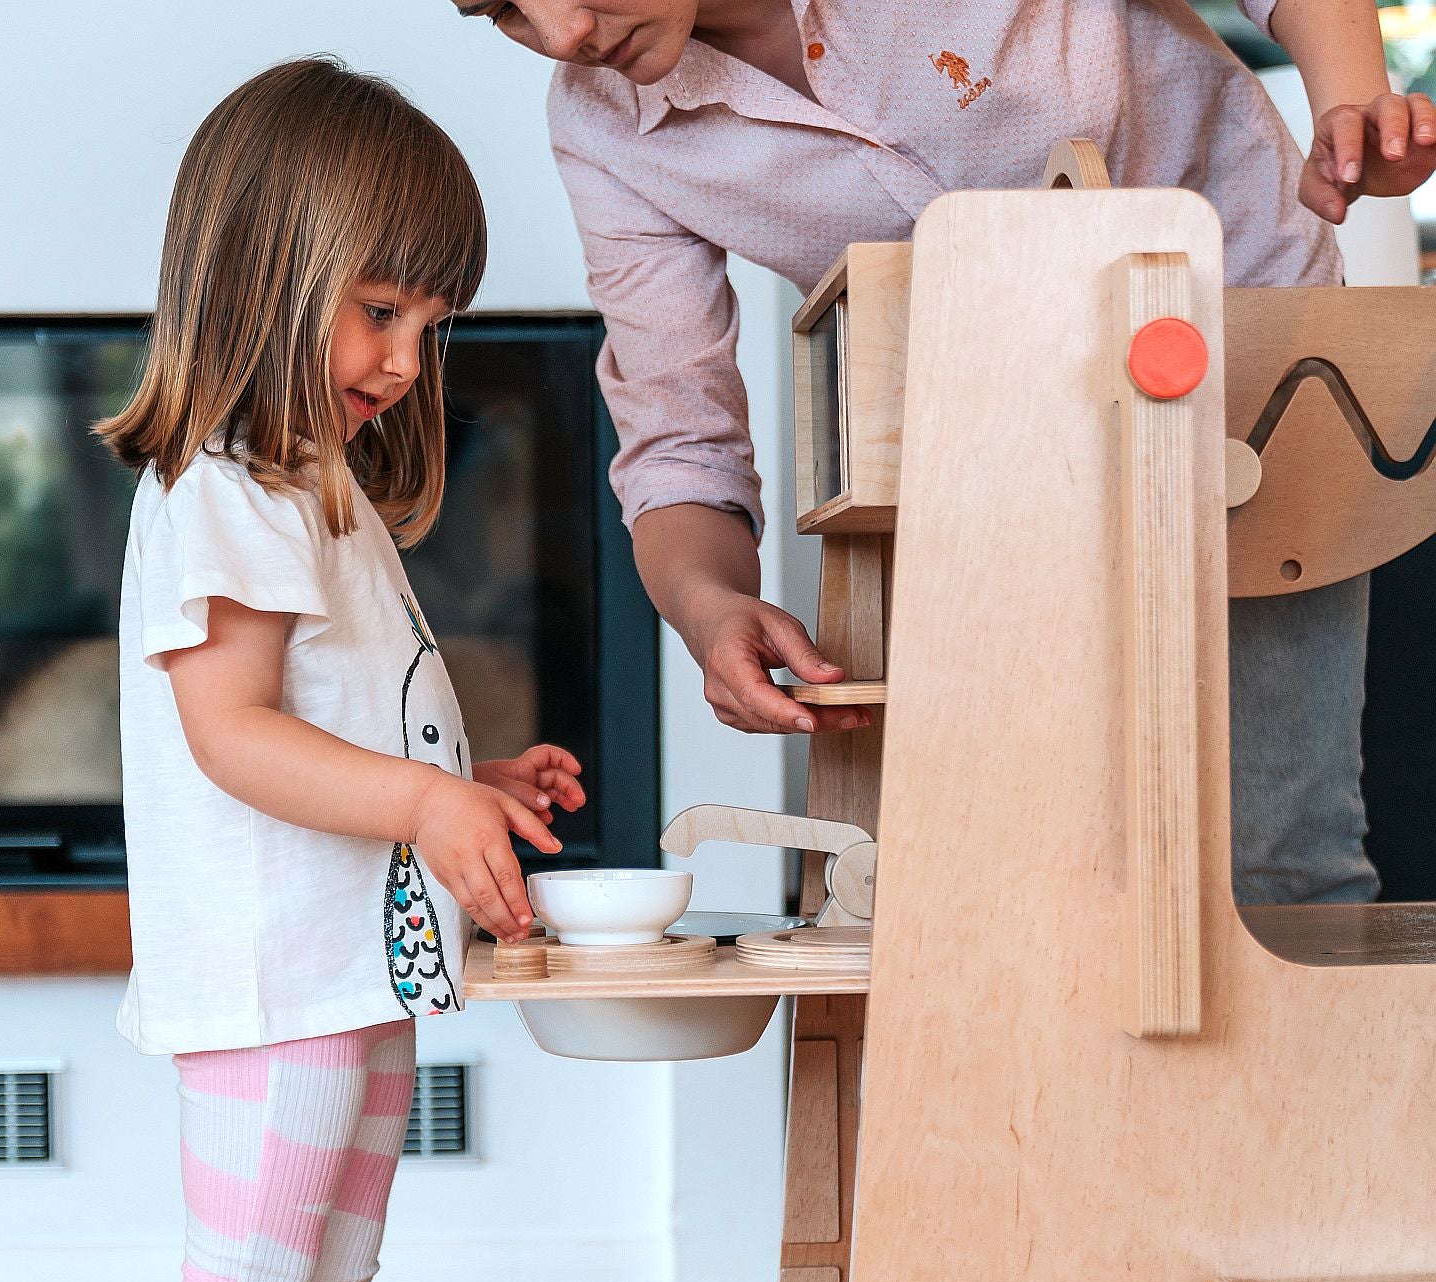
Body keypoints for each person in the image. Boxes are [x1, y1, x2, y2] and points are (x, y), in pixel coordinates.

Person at [456, 0, 1436, 903]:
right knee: (1047, 871)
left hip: (1251, 381)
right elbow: (678, 442)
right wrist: (709, 608)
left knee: (1276, 851)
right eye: (498, 6)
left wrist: (1353, 104)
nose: (563, 27)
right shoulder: (600, 126)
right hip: (991, 460)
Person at [97, 58, 584, 1282]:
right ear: (261, 267)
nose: (403, 357)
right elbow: (230, 732)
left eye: (430, 324)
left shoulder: (320, 492)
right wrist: (420, 797)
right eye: (378, 308)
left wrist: (475, 785)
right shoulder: (221, 487)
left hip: (350, 973)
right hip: (270, 980)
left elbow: (344, 716)